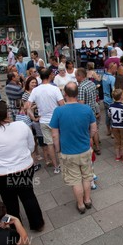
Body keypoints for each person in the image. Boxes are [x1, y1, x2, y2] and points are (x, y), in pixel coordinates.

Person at [0, 101, 44, 231]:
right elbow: (31, 146)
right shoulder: (22, 125)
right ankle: (37, 223)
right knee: (28, 196)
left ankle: (15, 229)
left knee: (9, 202)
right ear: (7, 112)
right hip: (24, 168)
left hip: (2, 174)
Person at [50, 82, 97, 214]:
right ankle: (88, 200)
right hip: (85, 149)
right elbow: (94, 128)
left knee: (75, 179)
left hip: (68, 152)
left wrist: (58, 149)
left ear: (65, 94)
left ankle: (81, 204)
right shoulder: (86, 109)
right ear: (77, 94)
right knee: (87, 176)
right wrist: (89, 138)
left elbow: (54, 135)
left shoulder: (58, 111)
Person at [26, 69, 65, 173]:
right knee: (59, 142)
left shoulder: (35, 90)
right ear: (50, 76)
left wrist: (33, 117)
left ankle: (56, 167)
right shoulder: (55, 89)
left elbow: (27, 105)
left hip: (43, 120)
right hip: (56, 120)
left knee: (49, 144)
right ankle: (62, 163)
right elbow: (62, 104)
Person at [76, 68, 101, 154]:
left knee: (88, 132)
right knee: (95, 130)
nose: (75, 77)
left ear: (80, 76)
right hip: (93, 109)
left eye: (76, 75)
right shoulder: (91, 83)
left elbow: (81, 103)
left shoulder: (81, 87)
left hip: (85, 113)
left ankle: (90, 150)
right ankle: (97, 147)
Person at [109, 89, 123, 163]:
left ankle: (118, 156)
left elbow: (109, 115)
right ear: (121, 97)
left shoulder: (111, 106)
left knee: (117, 141)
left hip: (114, 126)